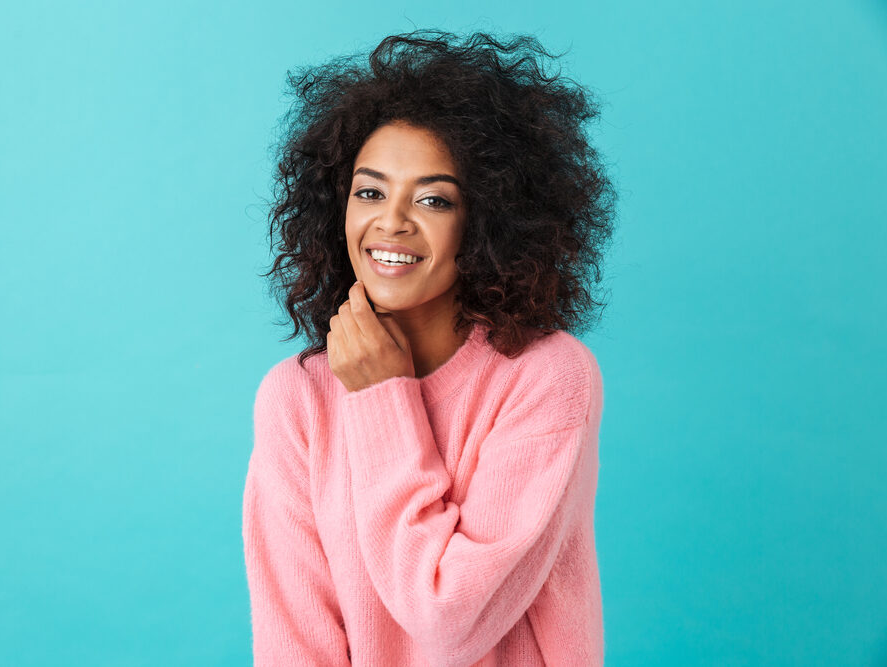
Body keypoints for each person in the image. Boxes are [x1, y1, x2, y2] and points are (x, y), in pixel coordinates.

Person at [243, 28, 617, 666]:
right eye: (370, 191)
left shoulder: (547, 378)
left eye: (433, 199)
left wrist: (383, 398)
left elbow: (445, 620)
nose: (392, 222)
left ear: (487, 219)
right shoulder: (297, 397)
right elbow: (294, 643)